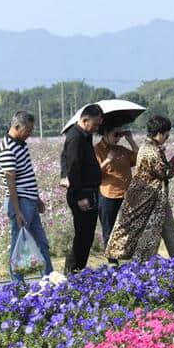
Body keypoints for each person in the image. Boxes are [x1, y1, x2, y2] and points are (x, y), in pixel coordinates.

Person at [105, 115, 174, 262]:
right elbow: (164, 172)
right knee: (149, 232)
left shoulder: (150, 147)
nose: (168, 137)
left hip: (154, 197)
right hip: (149, 198)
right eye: (167, 134)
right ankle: (147, 264)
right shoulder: (151, 150)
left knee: (168, 230)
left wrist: (171, 160)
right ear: (160, 133)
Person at [0, 111, 53, 282]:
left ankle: (48, 279)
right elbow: (10, 183)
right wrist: (17, 210)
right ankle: (17, 284)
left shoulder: (21, 144)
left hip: (29, 200)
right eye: (28, 129)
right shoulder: (7, 148)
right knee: (18, 244)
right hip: (19, 202)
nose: (30, 133)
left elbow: (26, 176)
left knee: (42, 241)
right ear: (16, 127)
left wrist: (36, 198)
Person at [61, 104, 104, 274]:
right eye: (95, 124)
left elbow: (63, 159)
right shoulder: (76, 137)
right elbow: (72, 167)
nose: (97, 128)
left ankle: (77, 270)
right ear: (85, 120)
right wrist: (79, 196)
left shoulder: (84, 136)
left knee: (86, 235)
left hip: (88, 190)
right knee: (83, 235)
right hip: (81, 193)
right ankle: (73, 272)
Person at [94, 118, 139, 264]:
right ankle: (112, 263)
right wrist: (107, 161)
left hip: (126, 194)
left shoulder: (121, 149)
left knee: (127, 229)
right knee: (109, 230)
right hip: (108, 195)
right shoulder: (97, 150)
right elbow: (93, 174)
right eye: (116, 134)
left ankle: (127, 259)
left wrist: (131, 140)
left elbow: (139, 159)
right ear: (106, 133)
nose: (119, 137)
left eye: (121, 134)